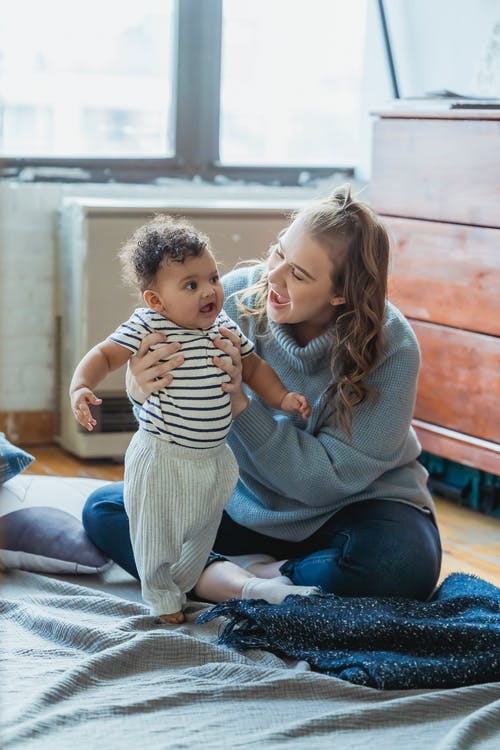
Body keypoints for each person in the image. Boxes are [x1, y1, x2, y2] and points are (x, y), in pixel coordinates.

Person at [82, 186, 442, 610]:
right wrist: (140, 389)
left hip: (352, 507)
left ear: (339, 294)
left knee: (402, 565)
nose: (272, 276)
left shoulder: (392, 348)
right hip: (239, 500)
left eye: (300, 275)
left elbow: (324, 482)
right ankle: (249, 582)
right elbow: (168, 418)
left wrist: (242, 407)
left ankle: (228, 575)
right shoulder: (226, 302)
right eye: (278, 253)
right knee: (106, 509)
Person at [70, 214, 312, 623]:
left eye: (213, 278)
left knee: (199, 532)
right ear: (156, 301)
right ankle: (162, 594)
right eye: (191, 285)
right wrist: (81, 386)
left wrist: (283, 397)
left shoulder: (223, 325)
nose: (210, 291)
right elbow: (106, 354)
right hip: (163, 456)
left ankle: (191, 577)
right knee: (155, 531)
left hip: (213, 459)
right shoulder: (149, 325)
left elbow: (253, 368)